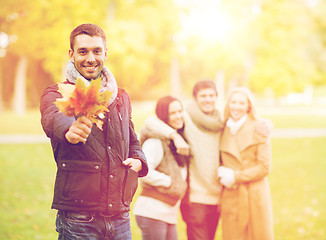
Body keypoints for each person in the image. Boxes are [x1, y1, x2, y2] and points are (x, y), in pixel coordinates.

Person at [40, 23, 148, 240]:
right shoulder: (58, 92)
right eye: (83, 51)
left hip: (120, 216)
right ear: (71, 54)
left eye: (96, 51)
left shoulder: (120, 97)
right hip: (79, 219)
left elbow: (132, 141)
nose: (90, 58)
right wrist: (69, 129)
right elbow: (53, 117)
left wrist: (138, 159)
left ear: (105, 53)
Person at [144, 80, 224, 240]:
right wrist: (174, 136)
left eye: (211, 95)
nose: (207, 99)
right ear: (195, 98)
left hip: (217, 197)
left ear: (216, 97)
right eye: (203, 96)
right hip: (195, 198)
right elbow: (151, 121)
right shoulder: (186, 117)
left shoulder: (220, 122)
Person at [218, 87, 274, 240]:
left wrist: (235, 176)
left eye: (241, 103)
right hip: (231, 194)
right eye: (233, 102)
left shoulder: (259, 127)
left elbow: (264, 167)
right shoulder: (223, 128)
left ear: (248, 106)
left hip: (254, 195)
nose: (236, 106)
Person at [133, 96, 189, 240]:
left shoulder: (176, 140)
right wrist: (171, 182)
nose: (178, 116)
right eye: (172, 113)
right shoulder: (155, 142)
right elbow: (143, 171)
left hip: (167, 215)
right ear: (164, 116)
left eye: (180, 111)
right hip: (152, 213)